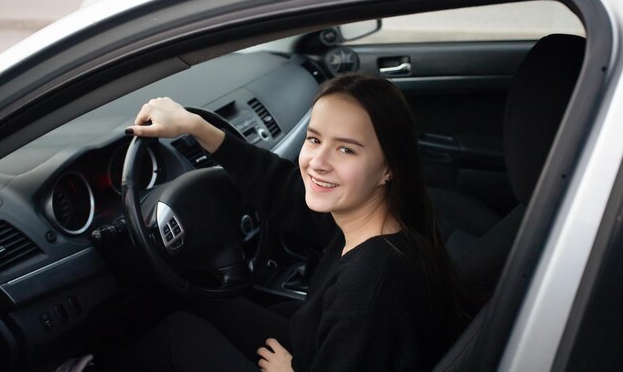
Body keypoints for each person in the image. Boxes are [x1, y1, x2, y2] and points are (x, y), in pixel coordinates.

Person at [105, 73, 466, 372]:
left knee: (178, 337)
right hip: (314, 349)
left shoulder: (367, 292)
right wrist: (197, 127)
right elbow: (280, 187)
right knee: (199, 301)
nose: (316, 162)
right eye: (314, 139)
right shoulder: (380, 218)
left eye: (346, 149)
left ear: (389, 168)